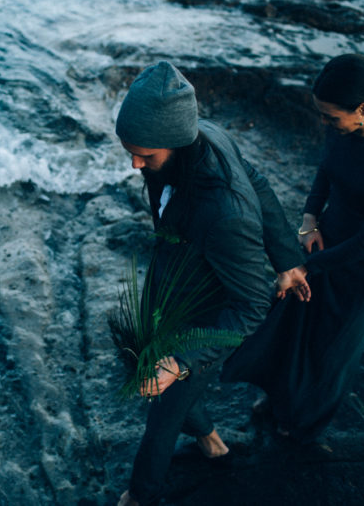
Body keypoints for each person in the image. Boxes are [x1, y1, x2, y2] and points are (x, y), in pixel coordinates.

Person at [113, 61, 309, 506]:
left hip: (201, 322)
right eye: (129, 149)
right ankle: (211, 441)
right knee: (148, 377)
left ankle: (141, 496)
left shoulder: (224, 215)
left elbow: (251, 304)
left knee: (161, 416)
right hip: (172, 285)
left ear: (177, 143)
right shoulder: (208, 134)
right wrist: (286, 257)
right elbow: (257, 181)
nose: (134, 162)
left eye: (144, 154)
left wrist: (179, 361)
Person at [221, 53, 364, 442]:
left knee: (332, 342)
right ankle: (283, 398)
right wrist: (309, 220)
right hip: (331, 233)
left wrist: (305, 268)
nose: (326, 123)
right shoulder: (345, 126)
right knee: (295, 318)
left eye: (332, 117)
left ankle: (305, 420)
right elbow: (326, 169)